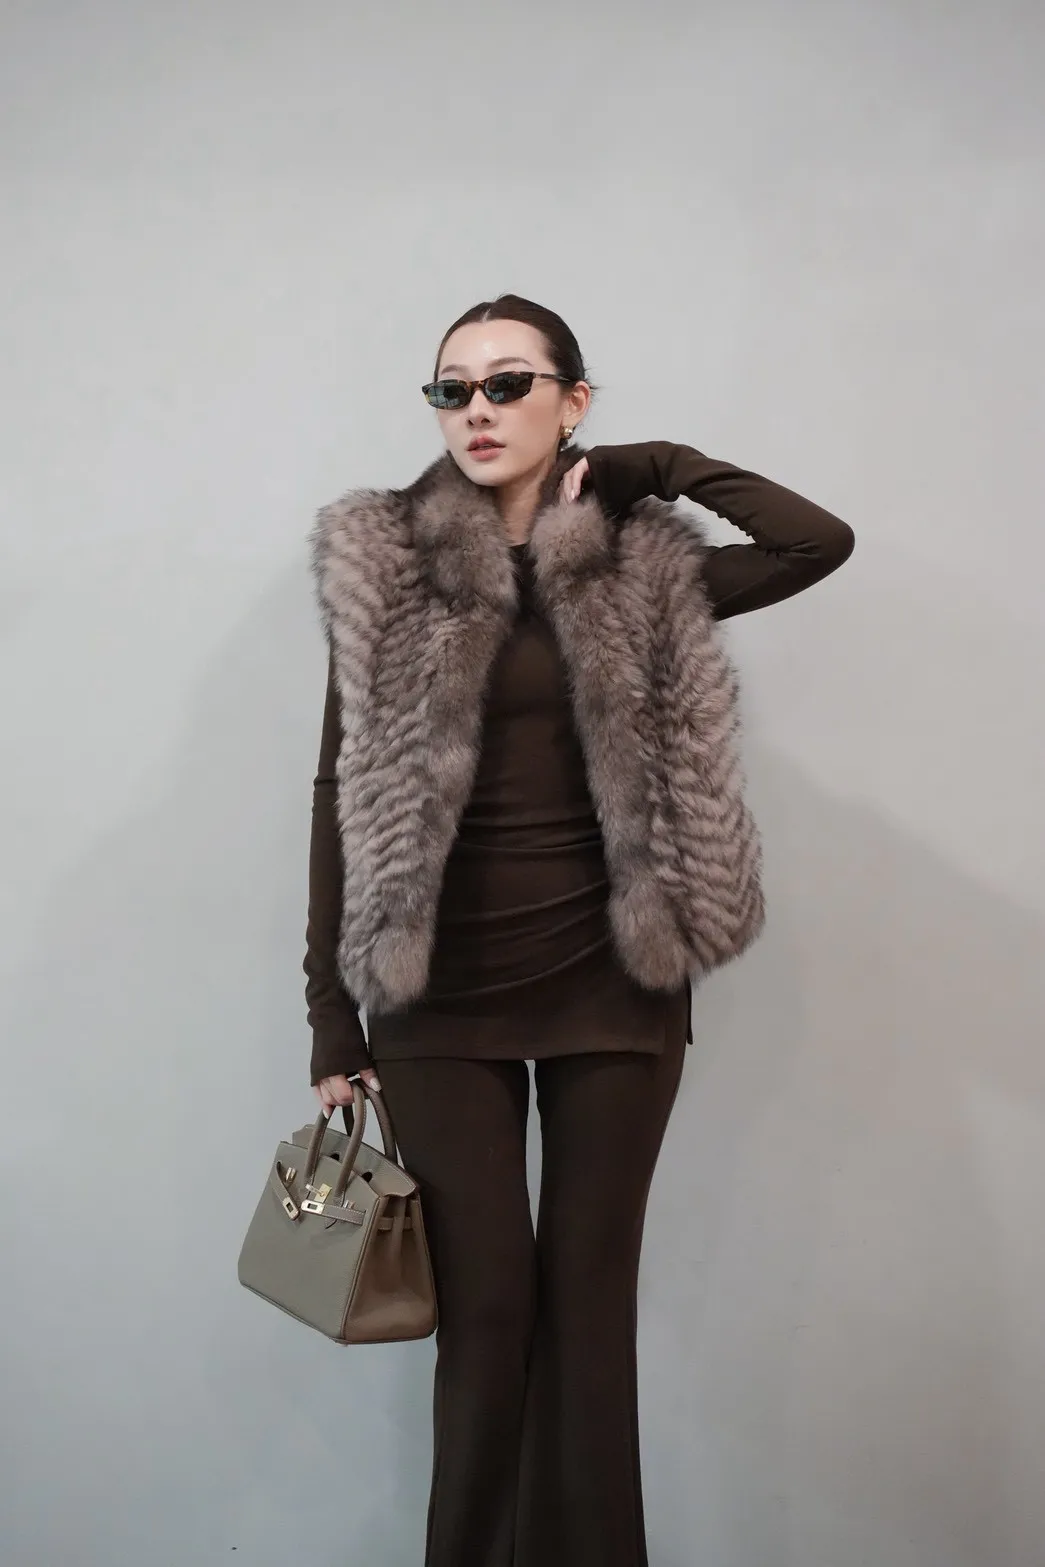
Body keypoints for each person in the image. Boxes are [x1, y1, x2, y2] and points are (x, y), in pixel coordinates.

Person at [303, 294, 854, 1567]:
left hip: (614, 979)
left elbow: (812, 540)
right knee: (488, 1309)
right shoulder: (383, 564)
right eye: (452, 389)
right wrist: (332, 1014)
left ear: (572, 401)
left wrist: (659, 469)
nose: (478, 410)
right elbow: (337, 788)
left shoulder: (639, 569)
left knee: (588, 1316)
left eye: (509, 383)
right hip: (436, 991)